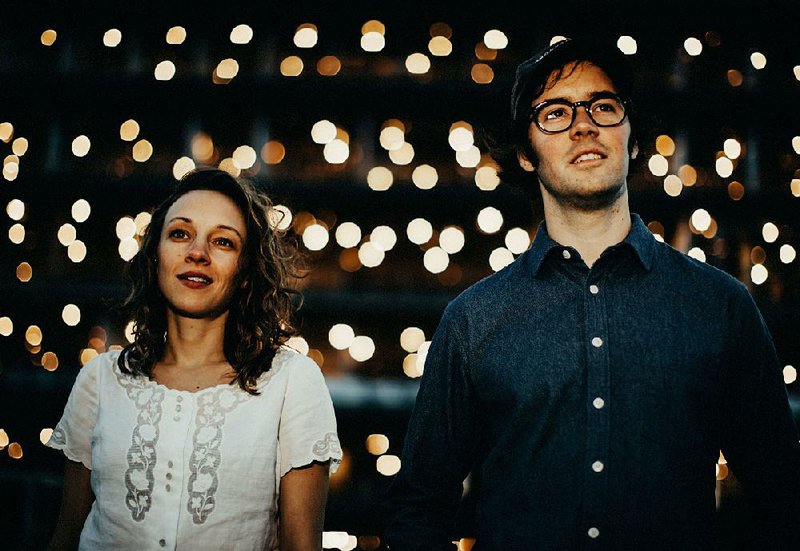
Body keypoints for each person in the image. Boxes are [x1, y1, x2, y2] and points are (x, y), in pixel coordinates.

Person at [385, 37, 800, 550]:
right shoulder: (475, 320)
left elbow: (782, 500)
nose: (584, 124)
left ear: (632, 138)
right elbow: (417, 513)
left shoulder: (719, 306)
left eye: (604, 106)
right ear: (524, 154)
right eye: (555, 112)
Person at [46, 168, 342, 551]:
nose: (197, 253)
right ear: (155, 257)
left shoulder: (291, 383)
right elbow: (65, 536)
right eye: (180, 234)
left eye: (223, 242)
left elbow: (301, 546)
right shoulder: (100, 379)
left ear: (247, 273)